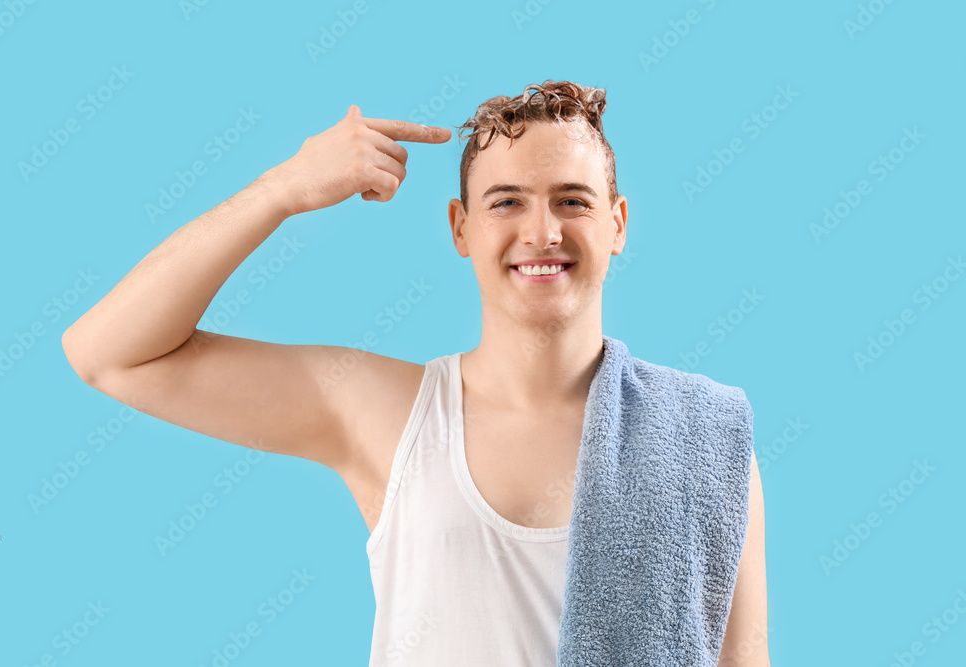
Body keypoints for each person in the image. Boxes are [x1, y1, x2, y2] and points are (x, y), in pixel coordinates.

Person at [61, 80, 769, 665]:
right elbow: (108, 352)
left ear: (617, 222)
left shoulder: (704, 434)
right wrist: (284, 189)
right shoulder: (385, 413)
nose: (543, 232)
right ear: (461, 227)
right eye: (507, 201)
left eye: (572, 200)